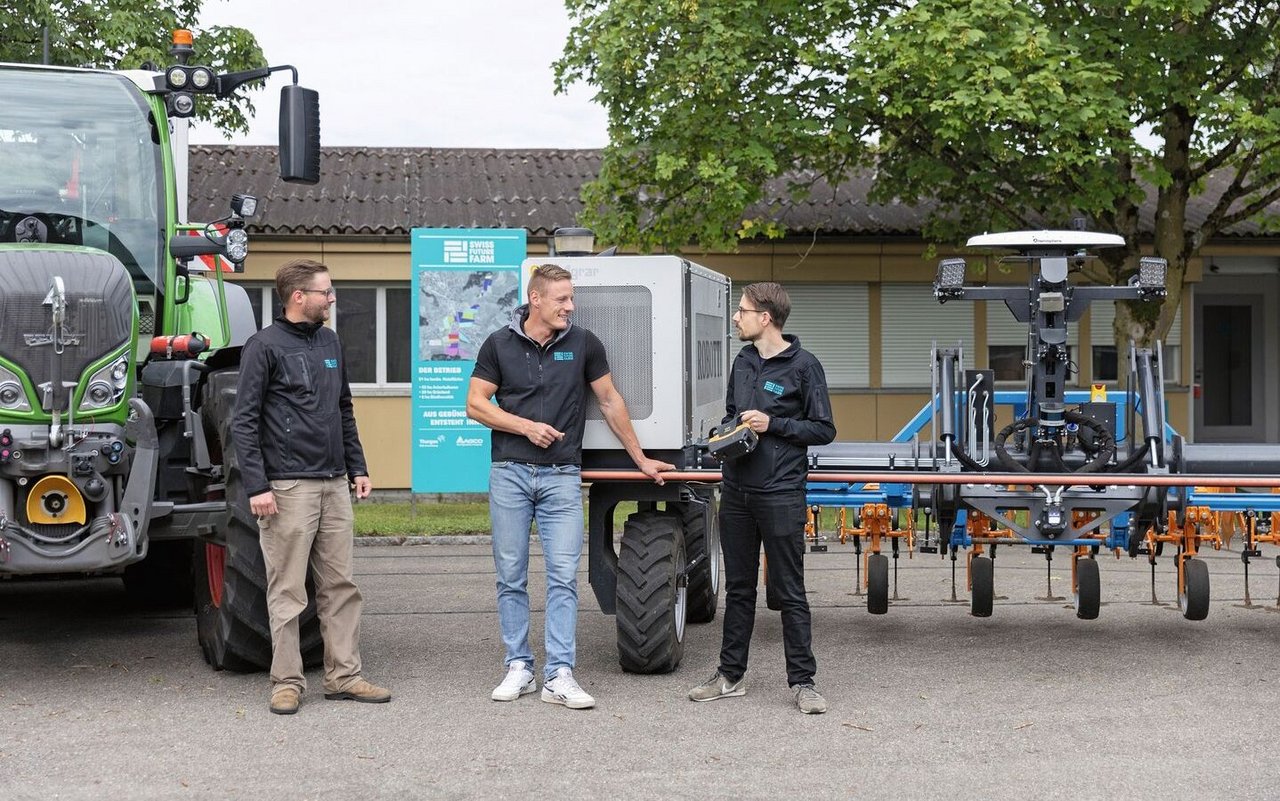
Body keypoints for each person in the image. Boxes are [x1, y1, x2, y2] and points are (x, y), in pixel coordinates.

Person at [466, 263, 673, 710]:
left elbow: (610, 400)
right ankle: (519, 666)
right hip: (510, 473)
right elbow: (476, 404)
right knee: (511, 576)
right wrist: (525, 427)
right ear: (535, 298)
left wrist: (640, 459)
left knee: (563, 577)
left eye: (571, 297)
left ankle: (559, 673)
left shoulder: (583, 343)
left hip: (562, 476)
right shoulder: (498, 344)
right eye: (561, 298)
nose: (570, 306)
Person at [231, 258, 391, 716]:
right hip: (286, 487)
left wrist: (357, 466)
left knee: (340, 585)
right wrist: (257, 485)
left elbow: (343, 409)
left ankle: (345, 676)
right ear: (299, 297)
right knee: (287, 590)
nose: (332, 298)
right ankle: (286, 682)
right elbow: (244, 420)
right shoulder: (263, 346)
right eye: (326, 291)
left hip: (334, 483)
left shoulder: (330, 342)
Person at [688, 282, 836, 714]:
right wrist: (727, 431)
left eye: (742, 311)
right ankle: (730, 675)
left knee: (789, 589)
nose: (736, 317)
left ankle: (804, 682)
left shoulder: (805, 366)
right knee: (737, 588)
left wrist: (774, 424)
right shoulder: (743, 361)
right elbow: (733, 412)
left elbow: (823, 429)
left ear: (765, 318)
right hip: (736, 492)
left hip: (782, 493)